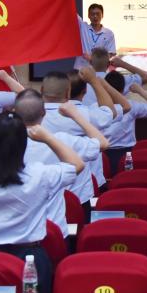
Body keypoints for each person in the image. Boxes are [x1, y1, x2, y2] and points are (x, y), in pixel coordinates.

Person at [0, 112, 85, 293]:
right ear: (24, 144)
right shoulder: (40, 175)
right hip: (30, 260)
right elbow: (77, 164)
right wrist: (47, 138)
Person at [15, 90, 108, 237]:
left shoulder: (5, 143)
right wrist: (76, 115)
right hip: (59, 223)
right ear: (44, 113)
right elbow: (103, 143)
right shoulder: (62, 140)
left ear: (14, 113)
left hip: (19, 225)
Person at [40, 70, 113, 209]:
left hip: (40, 194)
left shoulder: (29, 115)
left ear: (42, 90)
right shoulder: (83, 114)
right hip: (79, 194)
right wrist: (95, 82)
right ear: (68, 93)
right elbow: (109, 113)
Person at [102, 72, 147, 174]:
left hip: (105, 153)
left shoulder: (96, 106)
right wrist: (140, 90)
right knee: (127, 177)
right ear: (123, 89)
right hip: (127, 153)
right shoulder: (132, 106)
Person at [76, 3, 116, 69]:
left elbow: (110, 53)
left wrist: (93, 60)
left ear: (102, 15)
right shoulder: (82, 27)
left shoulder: (109, 33)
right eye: (92, 14)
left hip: (98, 69)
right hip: (81, 68)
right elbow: (72, 13)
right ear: (88, 15)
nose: (95, 16)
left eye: (98, 14)